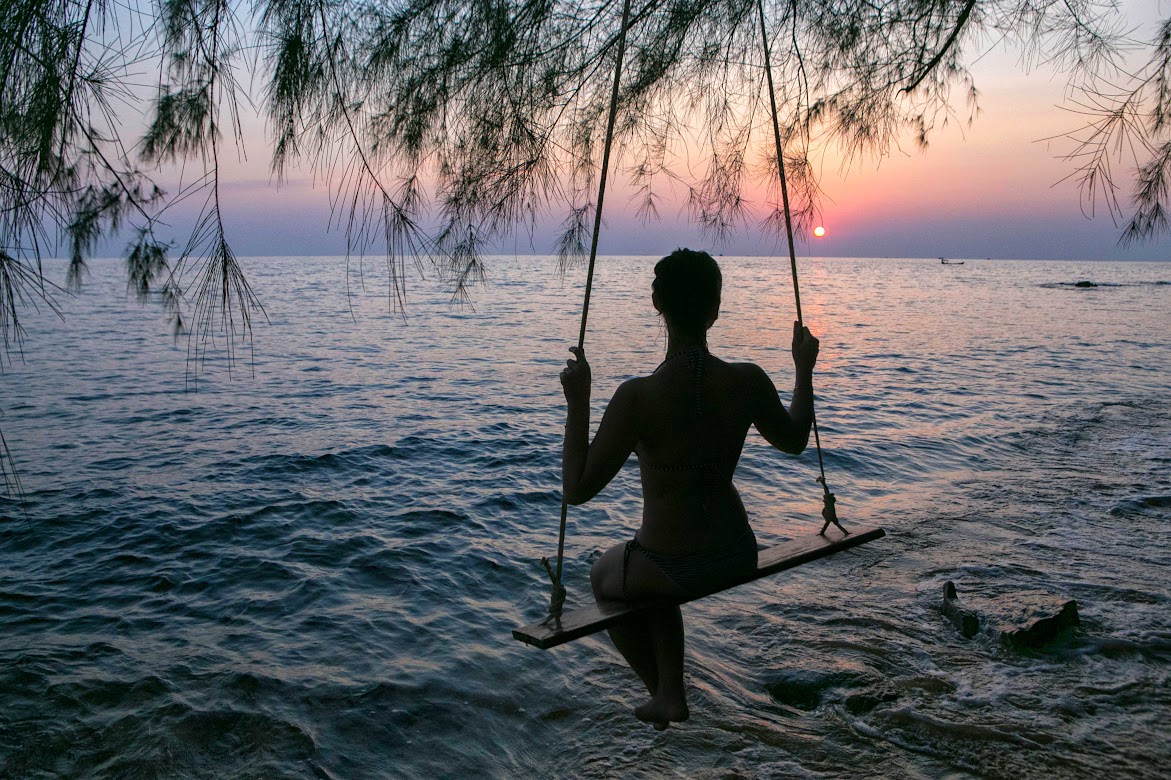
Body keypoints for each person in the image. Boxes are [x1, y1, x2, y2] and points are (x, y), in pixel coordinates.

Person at [559, 248, 819, 729]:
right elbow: (797, 439)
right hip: (738, 552)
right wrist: (803, 368)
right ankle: (671, 692)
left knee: (605, 574)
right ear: (715, 310)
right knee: (648, 567)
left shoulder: (638, 396)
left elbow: (576, 490)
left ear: (656, 302)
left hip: (671, 564)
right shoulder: (747, 380)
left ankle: (664, 691)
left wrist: (579, 402)